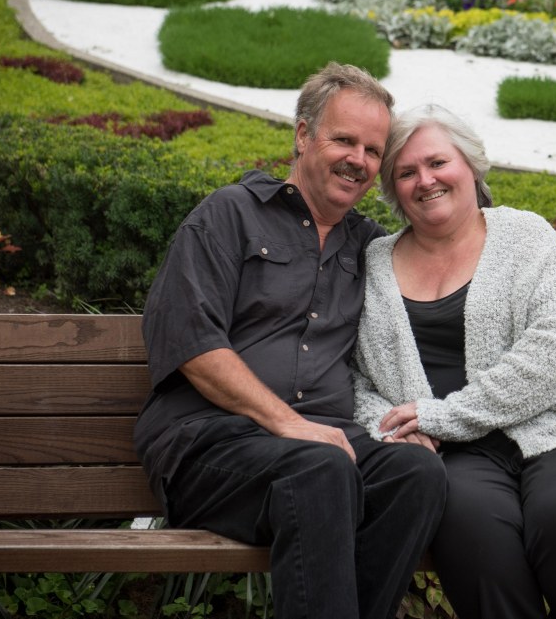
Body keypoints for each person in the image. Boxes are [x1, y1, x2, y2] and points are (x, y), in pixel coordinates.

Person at [133, 63, 447, 619]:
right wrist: (288, 423)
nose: (358, 160)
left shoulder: (371, 248)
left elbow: (456, 263)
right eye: (344, 140)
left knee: (415, 475)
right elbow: (192, 343)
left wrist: (544, 290)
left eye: (373, 151)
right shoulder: (229, 214)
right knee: (319, 469)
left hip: (323, 451)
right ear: (303, 135)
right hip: (210, 446)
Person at [351, 104, 556, 619]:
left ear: (470, 165)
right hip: (456, 458)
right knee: (470, 526)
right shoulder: (373, 264)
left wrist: (444, 415)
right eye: (406, 172)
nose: (425, 180)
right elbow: (355, 376)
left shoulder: (528, 238)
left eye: (437, 162)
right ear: (393, 188)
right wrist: (391, 427)